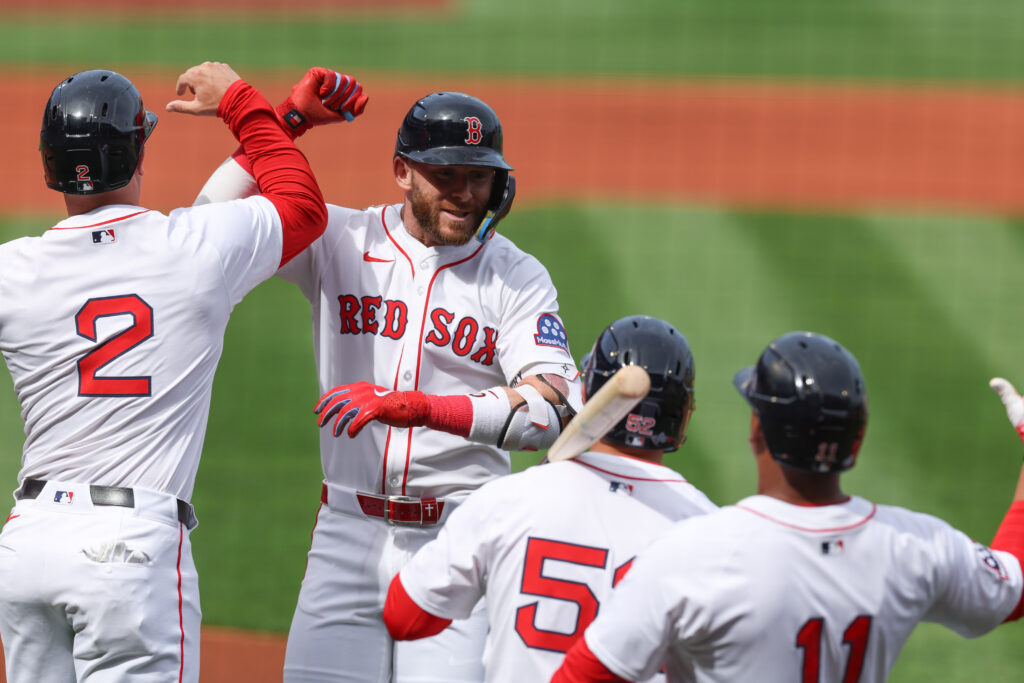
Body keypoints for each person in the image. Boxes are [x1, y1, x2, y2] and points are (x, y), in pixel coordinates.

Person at [195, 70, 583, 682]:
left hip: (459, 541)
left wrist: (422, 408)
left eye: (478, 177)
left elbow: (554, 411)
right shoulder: (340, 238)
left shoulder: (516, 277)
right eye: (445, 175)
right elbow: (207, 227)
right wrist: (286, 123)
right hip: (345, 533)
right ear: (402, 170)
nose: (463, 194)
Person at [0, 61, 362, 681]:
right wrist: (248, 107)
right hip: (128, 553)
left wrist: (290, 120)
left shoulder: (13, 272)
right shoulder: (190, 253)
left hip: (27, 546)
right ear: (139, 152)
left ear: (49, 165)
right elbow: (299, 205)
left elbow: (201, 219)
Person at [552, 331, 1024, 683]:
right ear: (855, 437)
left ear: (757, 430)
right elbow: (1013, 591)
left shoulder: (693, 552)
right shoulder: (917, 546)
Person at [375, 315, 717, 682]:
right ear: (681, 415)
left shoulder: (507, 501)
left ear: (587, 392)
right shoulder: (710, 531)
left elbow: (404, 617)